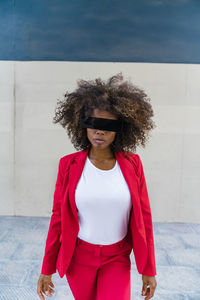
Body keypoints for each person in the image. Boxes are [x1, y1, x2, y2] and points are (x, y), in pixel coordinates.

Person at [37, 72, 157, 300]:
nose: (99, 131)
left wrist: (149, 270)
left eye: (107, 125)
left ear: (121, 128)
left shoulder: (133, 165)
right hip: (79, 258)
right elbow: (58, 219)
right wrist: (47, 268)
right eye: (93, 123)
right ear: (82, 125)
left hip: (117, 257)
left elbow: (144, 219)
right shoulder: (68, 165)